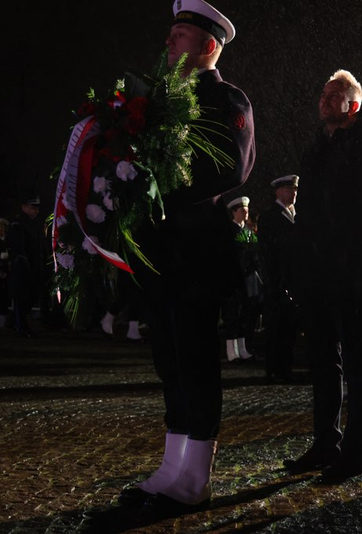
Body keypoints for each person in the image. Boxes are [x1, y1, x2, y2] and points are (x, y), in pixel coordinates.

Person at [120, 0, 255, 512]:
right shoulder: (159, 99)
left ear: (209, 46)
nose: (170, 42)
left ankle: (195, 477)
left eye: (181, 35)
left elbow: (230, 168)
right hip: (161, 256)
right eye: (171, 33)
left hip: (197, 256)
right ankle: (172, 466)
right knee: (169, 363)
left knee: (195, 362)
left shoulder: (226, 98)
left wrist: (154, 192)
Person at [283, 70, 362, 481]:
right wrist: (299, 270)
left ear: (355, 105)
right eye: (324, 94)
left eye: (336, 95)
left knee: (359, 360)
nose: (326, 100)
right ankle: (325, 442)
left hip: (353, 276)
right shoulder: (316, 150)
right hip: (318, 276)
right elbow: (306, 218)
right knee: (323, 362)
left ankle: (354, 450)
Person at [257, 175, 299, 383]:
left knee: (289, 328)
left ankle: (285, 367)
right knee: (275, 328)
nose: (293, 193)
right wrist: (273, 282)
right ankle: (274, 369)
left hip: (292, 280)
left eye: (295, 190)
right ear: (279, 191)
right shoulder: (269, 216)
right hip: (276, 282)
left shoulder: (296, 215)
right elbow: (266, 252)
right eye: (289, 189)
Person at [219, 196, 259, 363]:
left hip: (247, 278)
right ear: (234, 212)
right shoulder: (229, 231)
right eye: (242, 210)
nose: (246, 212)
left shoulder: (248, 231)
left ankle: (242, 349)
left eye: (247, 210)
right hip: (234, 279)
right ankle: (231, 352)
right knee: (232, 316)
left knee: (244, 315)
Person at [6, 196, 44, 338]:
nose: (36, 211)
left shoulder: (34, 223)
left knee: (32, 295)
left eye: (37, 208)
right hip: (23, 266)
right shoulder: (18, 223)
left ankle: (13, 321)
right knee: (22, 297)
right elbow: (18, 246)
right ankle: (20, 325)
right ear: (24, 207)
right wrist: (22, 263)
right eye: (33, 208)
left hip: (33, 265)